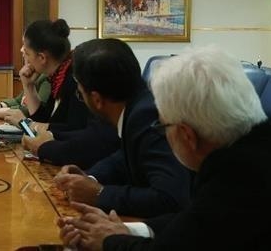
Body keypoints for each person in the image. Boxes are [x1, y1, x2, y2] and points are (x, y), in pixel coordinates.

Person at [57, 47, 271, 251]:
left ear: (186, 135)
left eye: (162, 127)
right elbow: (196, 223)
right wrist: (129, 229)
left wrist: (109, 240)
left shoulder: (240, 176)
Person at [52, 38, 191, 219]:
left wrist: (99, 194)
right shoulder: (139, 104)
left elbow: (169, 199)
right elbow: (126, 158)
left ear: (97, 100)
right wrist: (89, 178)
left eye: (80, 93)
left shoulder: (145, 116)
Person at [0, 19, 118, 168]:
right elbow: (44, 119)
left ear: (42, 58)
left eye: (27, 52)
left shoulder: (73, 78)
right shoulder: (58, 76)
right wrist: (28, 86)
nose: (22, 52)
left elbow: (75, 129)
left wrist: (26, 124)